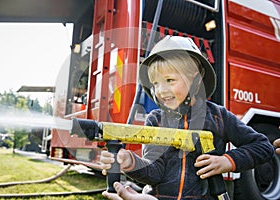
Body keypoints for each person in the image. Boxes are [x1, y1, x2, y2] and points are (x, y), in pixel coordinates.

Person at [101, 36, 275, 200]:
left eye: (169, 80)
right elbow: (155, 172)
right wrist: (130, 162)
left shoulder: (219, 116)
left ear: (196, 80)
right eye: (155, 83)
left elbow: (263, 146)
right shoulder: (156, 120)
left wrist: (227, 161)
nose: (161, 90)